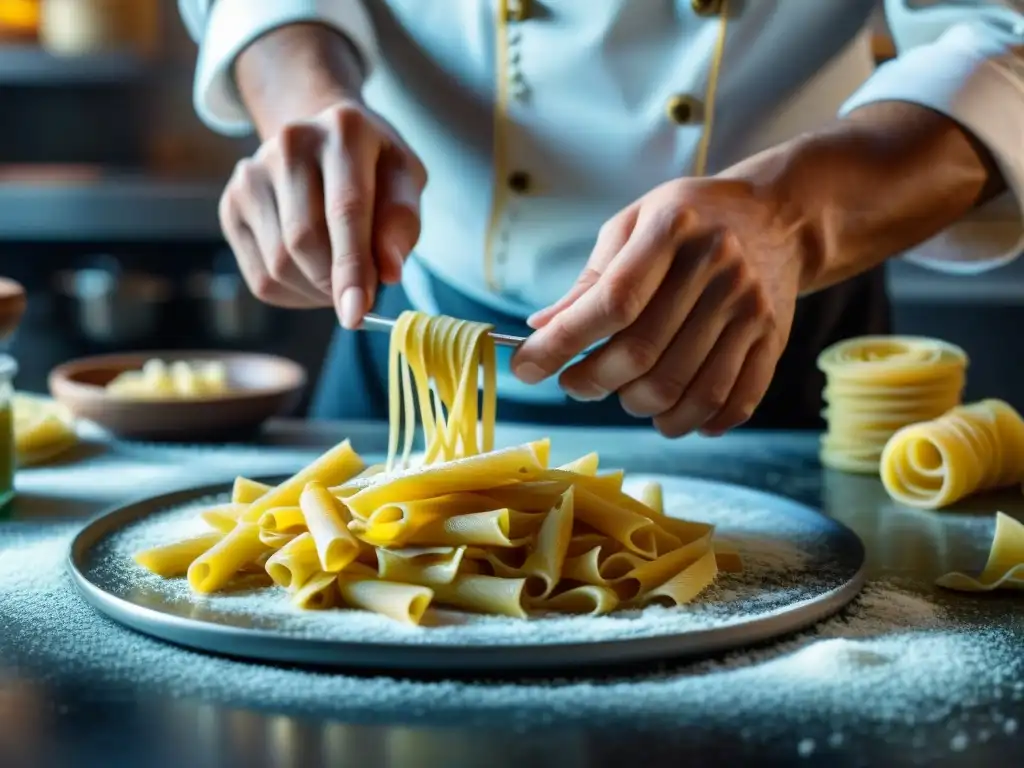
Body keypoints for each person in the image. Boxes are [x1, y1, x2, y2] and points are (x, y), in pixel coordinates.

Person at [179, 0, 1023, 436]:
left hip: (767, 348)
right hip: (412, 330)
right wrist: (305, 104)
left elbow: (1002, 34)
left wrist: (790, 219)